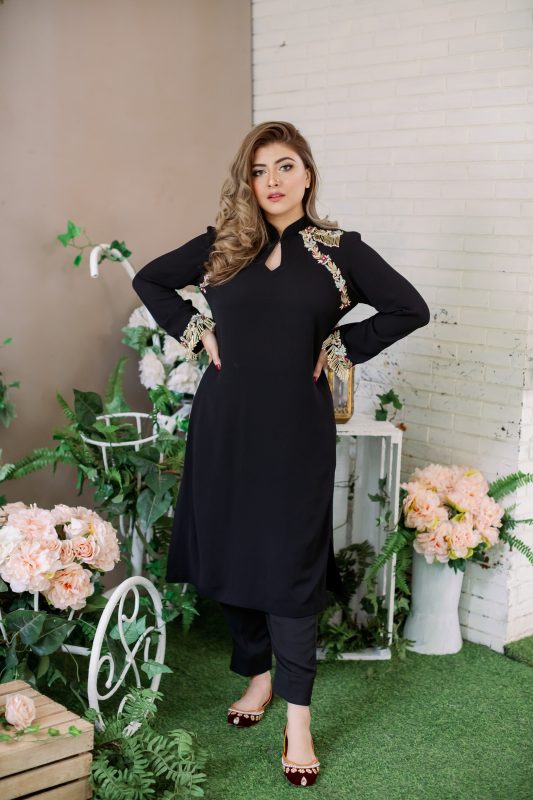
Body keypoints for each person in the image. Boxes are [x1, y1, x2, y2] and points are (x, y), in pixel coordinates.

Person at [131, 121, 430, 787]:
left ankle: (298, 717)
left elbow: (409, 308)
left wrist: (342, 344)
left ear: (307, 174)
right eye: (260, 169)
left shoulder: (339, 252)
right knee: (233, 549)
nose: (272, 180)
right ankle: (257, 675)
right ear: (248, 179)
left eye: (285, 166)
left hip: (296, 428)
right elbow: (151, 281)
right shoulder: (223, 244)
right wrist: (195, 328)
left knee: (291, 564)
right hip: (225, 425)